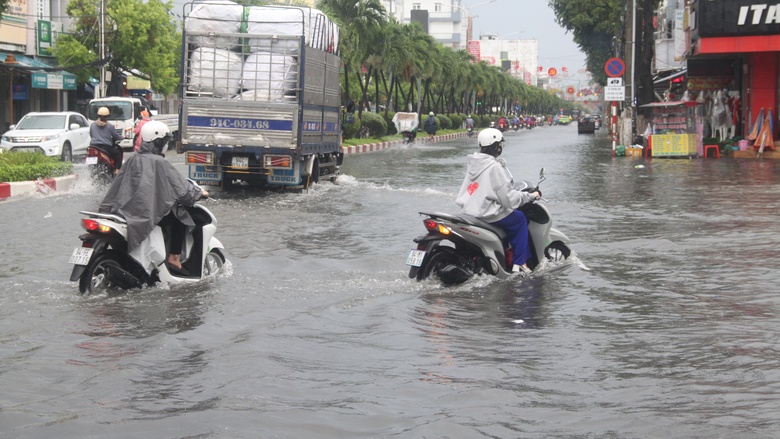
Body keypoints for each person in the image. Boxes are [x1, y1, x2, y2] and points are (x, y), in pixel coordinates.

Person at [99, 121, 208, 275]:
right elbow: (182, 189)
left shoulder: (132, 158)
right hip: (144, 214)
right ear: (160, 142)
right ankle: (174, 258)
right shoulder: (159, 162)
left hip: (122, 211)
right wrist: (198, 193)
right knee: (182, 218)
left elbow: (116, 187)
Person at [455, 128, 540, 274]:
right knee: (519, 219)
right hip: (487, 213)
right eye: (500, 145)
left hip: (469, 211)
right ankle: (519, 263)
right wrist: (531, 196)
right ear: (496, 147)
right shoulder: (494, 167)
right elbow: (509, 199)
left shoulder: (474, 163)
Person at [90, 107, 124, 174]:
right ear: (107, 116)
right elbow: (116, 136)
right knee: (118, 154)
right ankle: (116, 170)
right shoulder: (109, 126)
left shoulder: (92, 125)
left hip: (93, 146)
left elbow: (91, 135)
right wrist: (122, 137)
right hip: (105, 148)